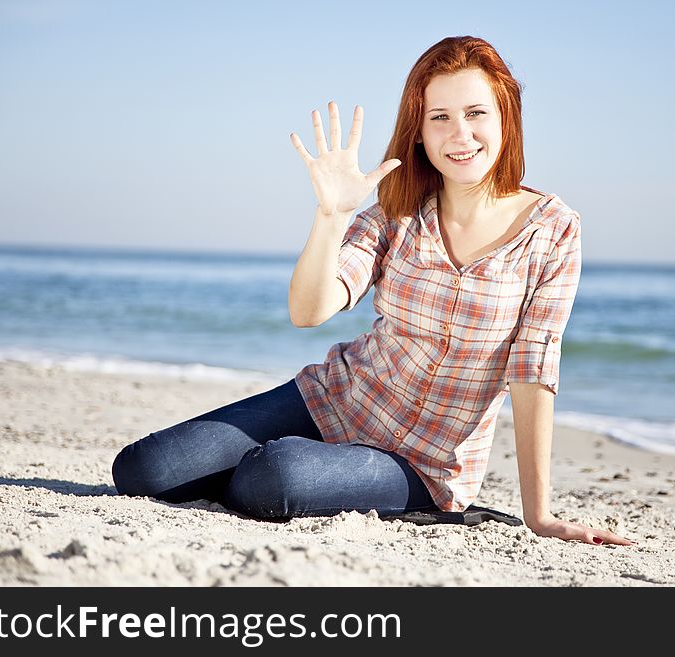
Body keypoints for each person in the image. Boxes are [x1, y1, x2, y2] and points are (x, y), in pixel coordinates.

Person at [112, 35, 635, 547]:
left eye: (476, 113)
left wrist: (538, 514)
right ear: (420, 132)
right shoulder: (397, 211)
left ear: (505, 119)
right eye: (440, 117)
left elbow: (532, 370)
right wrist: (332, 215)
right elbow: (309, 310)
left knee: (271, 476)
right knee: (143, 470)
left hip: (423, 462)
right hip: (333, 398)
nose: (460, 135)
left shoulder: (554, 230)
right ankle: (293, 473)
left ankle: (316, 478)